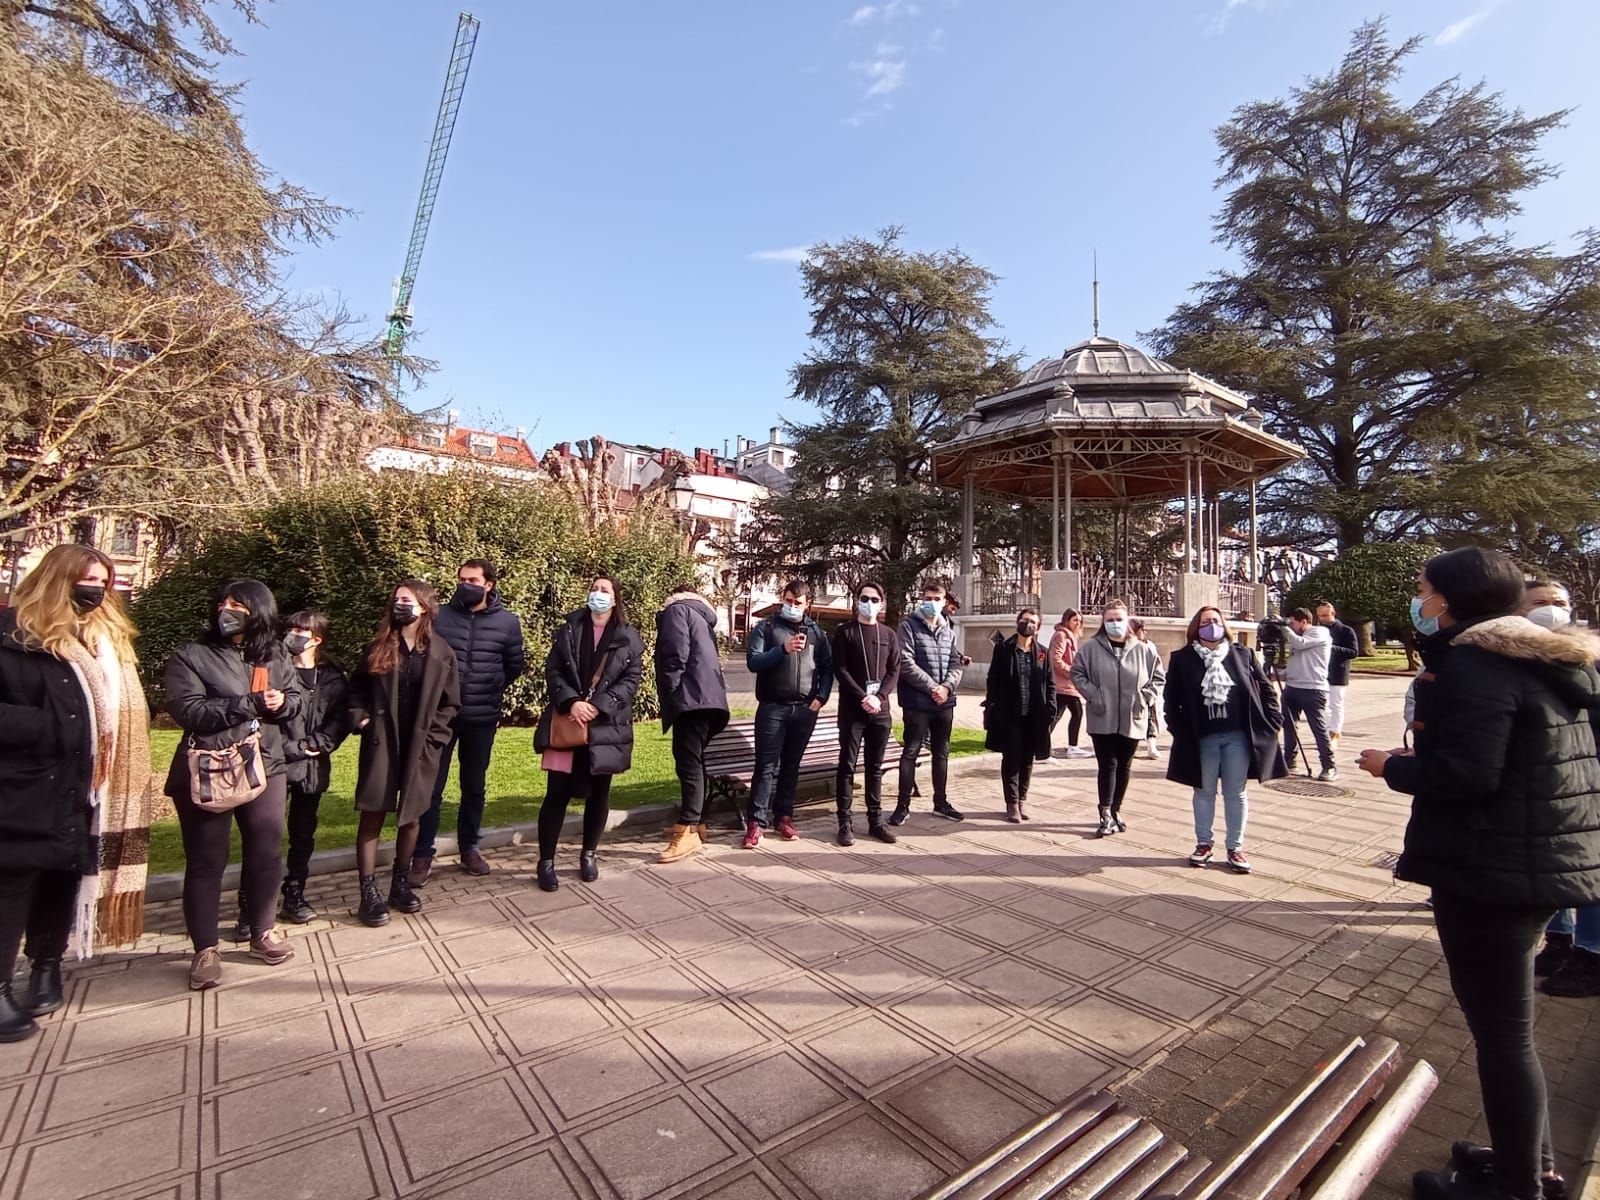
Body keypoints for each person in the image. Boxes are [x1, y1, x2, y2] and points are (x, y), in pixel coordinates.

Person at [1357, 547, 1600, 1200]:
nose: (1419, 599)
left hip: (1491, 872)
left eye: (1424, 589)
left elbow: (1468, 774)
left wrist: (1391, 767)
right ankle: (1531, 1159)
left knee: (1503, 1036)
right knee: (1511, 1032)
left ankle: (1520, 1185)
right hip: (1538, 862)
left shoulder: (1473, 664)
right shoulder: (1543, 659)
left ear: (1451, 600)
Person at [0, 546, 153, 1040]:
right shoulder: (14, 636)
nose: (96, 589)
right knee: (13, 884)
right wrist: (48, 726)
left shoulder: (102, 642)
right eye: (87, 579)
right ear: (56, 579)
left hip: (85, 785)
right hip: (26, 782)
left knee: (62, 876)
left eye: (104, 582)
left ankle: (46, 964)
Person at [164, 580, 302, 989]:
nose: (226, 609)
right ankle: (205, 950)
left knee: (266, 853)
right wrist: (249, 704)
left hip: (266, 765)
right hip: (211, 767)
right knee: (207, 861)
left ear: (258, 612)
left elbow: (295, 699)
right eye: (222, 602)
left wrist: (284, 702)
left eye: (237, 604)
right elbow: (188, 710)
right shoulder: (192, 655)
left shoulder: (274, 654)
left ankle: (263, 931)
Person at [347, 581, 461, 927]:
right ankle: (368, 893)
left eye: (406, 600)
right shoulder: (379, 647)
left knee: (412, 816)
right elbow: (355, 691)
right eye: (395, 599)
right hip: (383, 740)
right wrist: (360, 718)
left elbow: (450, 703)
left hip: (420, 746)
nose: (399, 604)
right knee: (373, 813)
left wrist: (435, 739)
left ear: (424, 607)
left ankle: (400, 882)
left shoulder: (441, 652)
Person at [413, 560, 526, 884]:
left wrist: (487, 687)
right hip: (441, 718)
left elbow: (513, 665)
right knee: (431, 788)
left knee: (473, 786)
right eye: (461, 579)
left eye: (473, 580)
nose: (465, 584)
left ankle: (469, 847)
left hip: (481, 717)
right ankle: (422, 854)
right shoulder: (440, 617)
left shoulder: (507, 623)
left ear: (489, 584)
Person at [533, 576, 642, 890]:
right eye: (594, 589)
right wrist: (572, 702)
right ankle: (546, 862)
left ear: (615, 599)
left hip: (604, 727)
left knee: (599, 795)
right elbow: (553, 670)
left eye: (604, 590)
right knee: (556, 794)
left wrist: (599, 705)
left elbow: (630, 680)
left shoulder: (628, 637)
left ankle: (589, 854)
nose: (597, 594)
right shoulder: (569, 628)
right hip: (568, 723)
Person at [1163, 606, 1287, 874]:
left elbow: (1266, 689)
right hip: (1202, 738)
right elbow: (1171, 699)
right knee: (1204, 792)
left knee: (1236, 793)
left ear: (1224, 625)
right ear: (1197, 627)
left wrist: (1273, 721)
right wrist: (1177, 729)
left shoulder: (1242, 654)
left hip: (1237, 737)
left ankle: (1235, 847)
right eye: (1206, 622)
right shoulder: (1182, 659)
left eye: (1216, 621)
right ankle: (1204, 844)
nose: (1211, 626)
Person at [1521, 580, 1600, 998]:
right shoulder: (1520, 659)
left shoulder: (1589, 660)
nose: (1551, 610)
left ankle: (1593, 953)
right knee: (1554, 866)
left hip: (1588, 779)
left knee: (1587, 868)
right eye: (1539, 603)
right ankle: (1560, 939)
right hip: (1549, 781)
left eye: (1559, 603)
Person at [743, 580, 833, 847]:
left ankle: (784, 816)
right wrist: (782, 650)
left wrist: (821, 697)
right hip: (773, 707)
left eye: (797, 602)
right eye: (788, 601)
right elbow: (753, 662)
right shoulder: (767, 627)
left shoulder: (817, 633)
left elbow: (828, 667)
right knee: (765, 766)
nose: (792, 606)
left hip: (805, 709)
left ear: (807, 605)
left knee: (791, 766)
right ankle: (756, 823)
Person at [277, 612, 349, 924]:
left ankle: (295, 893)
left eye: (300, 630)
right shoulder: (273, 669)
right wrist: (292, 748)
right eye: (290, 628)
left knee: (303, 835)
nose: (293, 634)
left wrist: (319, 743)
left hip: (312, 768)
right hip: (276, 764)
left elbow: (340, 718)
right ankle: (251, 904)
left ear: (316, 638)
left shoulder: (332, 677)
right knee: (265, 837)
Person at [1071, 600, 1164, 837]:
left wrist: (1144, 698)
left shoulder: (1143, 649)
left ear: (1128, 621)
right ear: (1103, 622)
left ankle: (1116, 810)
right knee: (1108, 765)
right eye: (1110, 620)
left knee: (1125, 766)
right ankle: (1104, 812)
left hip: (1133, 717)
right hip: (1102, 716)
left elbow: (1158, 678)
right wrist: (1094, 694)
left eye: (1119, 619)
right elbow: (1077, 673)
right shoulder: (1091, 648)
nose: (1115, 624)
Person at [655, 582, 731, 864]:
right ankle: (695, 822)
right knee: (694, 761)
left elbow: (675, 655)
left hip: (691, 699)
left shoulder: (677, 610)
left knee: (687, 763)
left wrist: (674, 692)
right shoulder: (700, 615)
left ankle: (687, 831)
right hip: (708, 700)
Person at [832, 581, 902, 846]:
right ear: (856, 601)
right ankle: (845, 823)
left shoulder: (889, 634)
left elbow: (894, 670)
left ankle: (875, 822)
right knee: (847, 766)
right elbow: (841, 670)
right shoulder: (845, 632)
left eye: (874, 599)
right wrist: (864, 697)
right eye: (864, 598)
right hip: (853, 710)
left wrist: (879, 697)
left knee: (875, 768)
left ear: (881, 603)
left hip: (880, 712)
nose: (869, 603)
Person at [892, 579, 965, 826]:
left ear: (944, 602)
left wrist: (946, 687)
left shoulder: (948, 630)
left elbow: (956, 663)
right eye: (928, 599)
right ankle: (903, 805)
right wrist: (932, 687)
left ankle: (941, 803)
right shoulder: (908, 627)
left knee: (942, 752)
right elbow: (905, 662)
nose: (932, 603)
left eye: (937, 599)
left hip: (944, 703)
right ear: (921, 600)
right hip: (917, 702)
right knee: (911, 751)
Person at [983, 608, 1055, 822]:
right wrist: (993, 704)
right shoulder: (1004, 649)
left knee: (1027, 760)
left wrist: (1050, 707)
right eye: (1024, 620)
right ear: (1017, 623)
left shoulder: (1042, 652)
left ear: (1038, 627)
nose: (1028, 624)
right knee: (1012, 758)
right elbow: (992, 678)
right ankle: (1011, 803)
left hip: (1034, 715)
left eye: (1032, 621)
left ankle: (1022, 800)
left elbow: (1049, 682)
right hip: (1010, 713)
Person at [1279, 607, 1338, 781]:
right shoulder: (1299, 636)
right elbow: (1298, 661)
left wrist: (1284, 628)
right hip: (1292, 687)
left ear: (1304, 622)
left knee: (1318, 729)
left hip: (1313, 689)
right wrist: (1280, 674)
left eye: (1293, 623)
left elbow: (1299, 644)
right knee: (1289, 726)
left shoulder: (1319, 632)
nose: (1290, 626)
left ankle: (1329, 766)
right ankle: (1289, 760)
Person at [1048, 610, 1091, 759]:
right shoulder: (1061, 636)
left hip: (1067, 685)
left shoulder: (1070, 636)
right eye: (1074, 620)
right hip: (1063, 685)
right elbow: (1055, 659)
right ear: (1067, 620)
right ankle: (1070, 747)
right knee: (1073, 713)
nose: (1077, 623)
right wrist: (1072, 672)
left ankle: (1042, 747)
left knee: (1057, 716)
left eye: (1079, 621)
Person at [1315, 602, 1360, 743]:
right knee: (1321, 705)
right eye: (1319, 616)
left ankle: (1335, 732)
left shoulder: (1346, 631)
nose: (1321, 618)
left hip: (1338, 672)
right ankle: (1326, 732)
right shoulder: (1317, 630)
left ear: (1333, 613)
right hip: (1320, 672)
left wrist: (1330, 648)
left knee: (1336, 704)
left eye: (1325, 615)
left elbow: (1353, 652)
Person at [1129, 618, 1162, 758]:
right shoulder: (1127, 646)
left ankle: (1151, 745)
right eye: (1142, 630)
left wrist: (1151, 691)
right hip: (1131, 690)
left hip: (1146, 689)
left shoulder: (1150, 646)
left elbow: (1157, 670)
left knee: (1150, 718)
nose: (1144, 632)